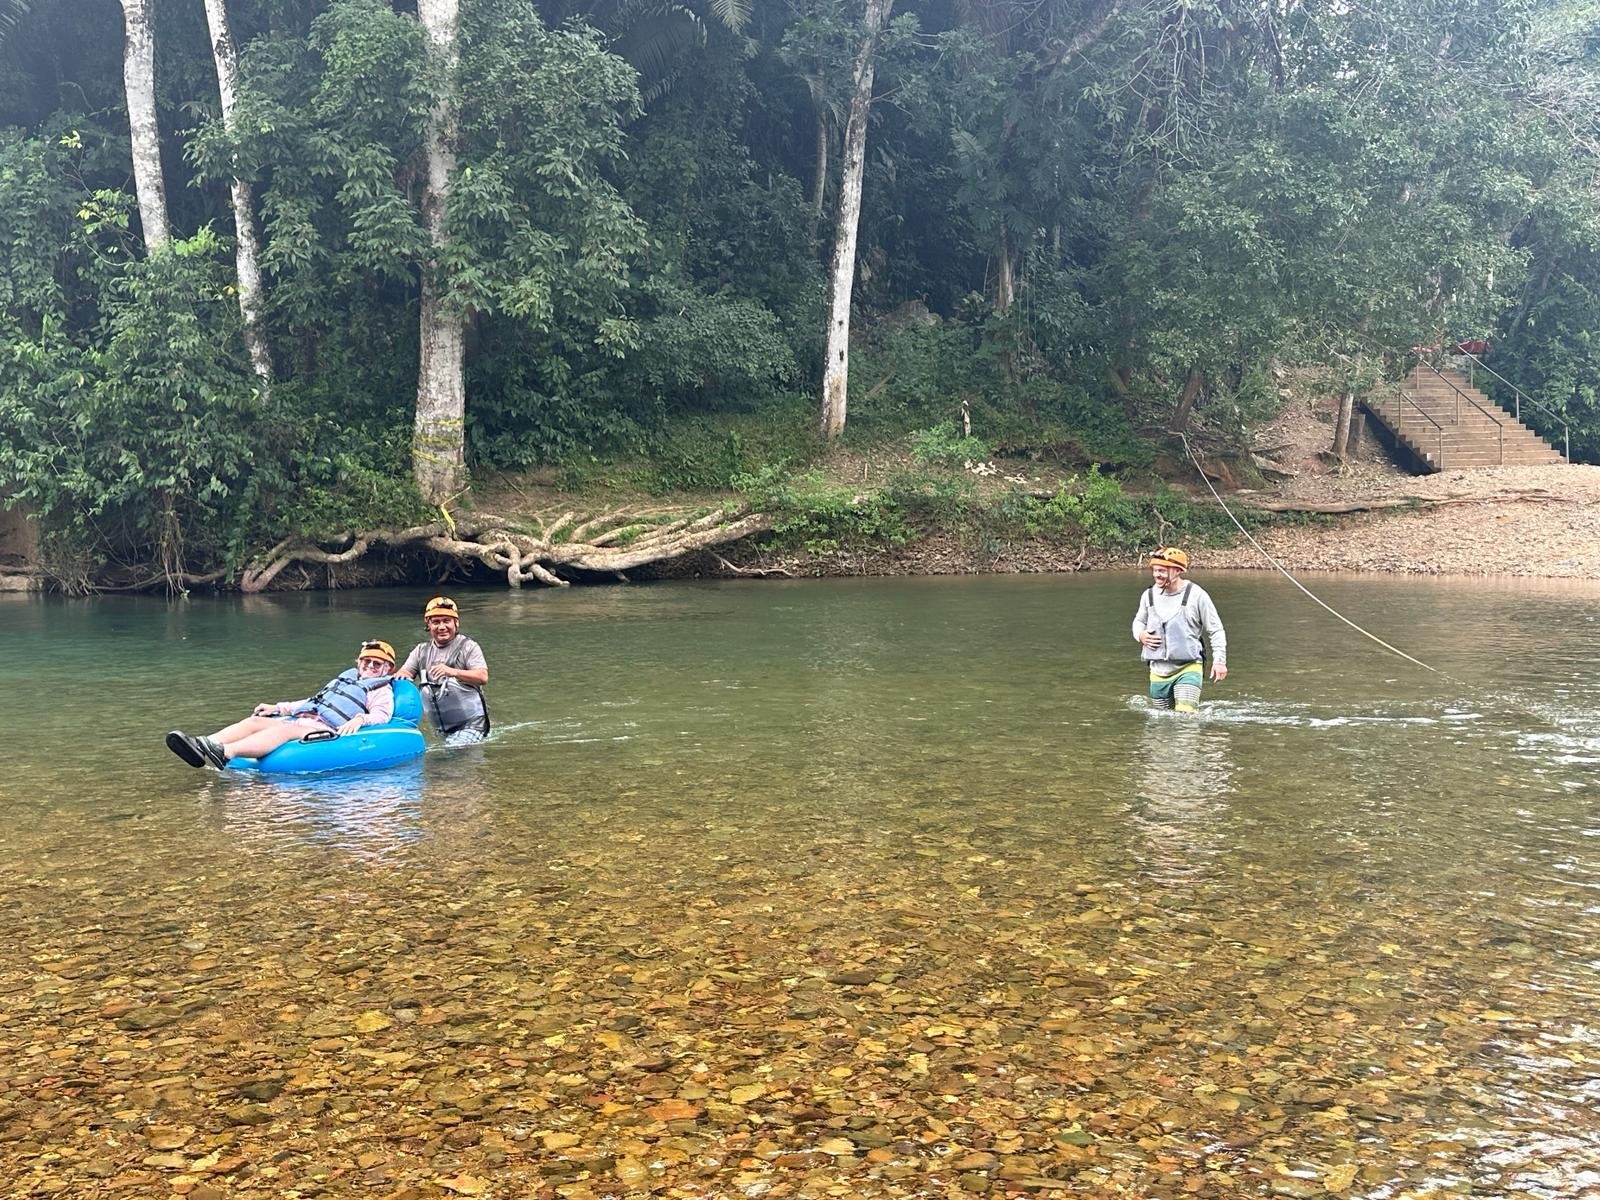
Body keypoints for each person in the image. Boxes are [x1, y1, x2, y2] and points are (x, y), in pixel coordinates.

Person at [166, 640, 399, 768]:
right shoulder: (346, 678)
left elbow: (382, 715)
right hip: (305, 719)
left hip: (328, 728)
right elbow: (313, 702)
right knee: (255, 721)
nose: (370, 666)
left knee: (286, 730)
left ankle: (226, 752)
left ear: (388, 669)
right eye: (366, 661)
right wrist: (277, 708)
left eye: (377, 664)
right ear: (358, 662)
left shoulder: (381, 689)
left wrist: (360, 719)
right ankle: (202, 744)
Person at [1132, 547, 1227, 713]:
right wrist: (1140, 635)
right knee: (1162, 720)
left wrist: (1219, 661)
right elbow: (1138, 621)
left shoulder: (1197, 595)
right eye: (1155, 570)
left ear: (1178, 571)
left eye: (1162, 571)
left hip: (1189, 666)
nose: (1156, 575)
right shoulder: (1148, 595)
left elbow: (1216, 629)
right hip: (1158, 670)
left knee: (1185, 716)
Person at [397, 596, 491, 745]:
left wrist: (453, 672)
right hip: (441, 731)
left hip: (472, 725)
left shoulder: (469, 646)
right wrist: (401, 677)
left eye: (447, 621)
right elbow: (404, 674)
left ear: (456, 623)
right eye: (436, 622)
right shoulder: (421, 651)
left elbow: (482, 676)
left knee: (452, 750)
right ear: (428, 625)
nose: (441, 627)